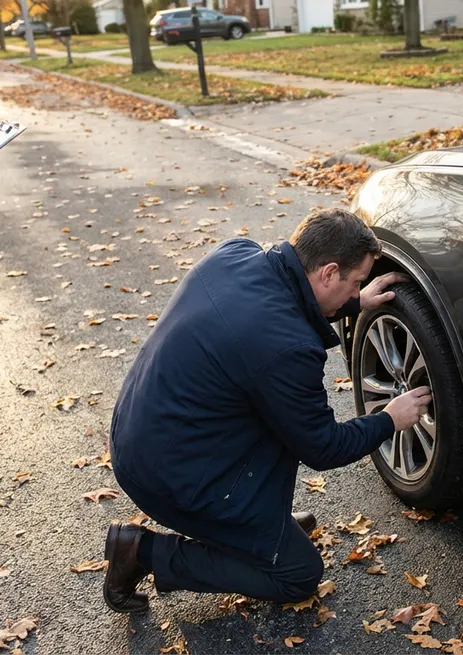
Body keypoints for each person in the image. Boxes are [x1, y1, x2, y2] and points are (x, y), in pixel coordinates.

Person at [103, 208, 432, 612]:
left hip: (145, 431)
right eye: (355, 282)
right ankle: (140, 551)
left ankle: (258, 525)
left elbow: (272, 322)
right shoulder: (286, 349)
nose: (355, 291)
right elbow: (323, 447)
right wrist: (389, 418)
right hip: (170, 475)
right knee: (297, 573)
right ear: (328, 272)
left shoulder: (236, 254)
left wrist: (352, 303)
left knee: (275, 412)